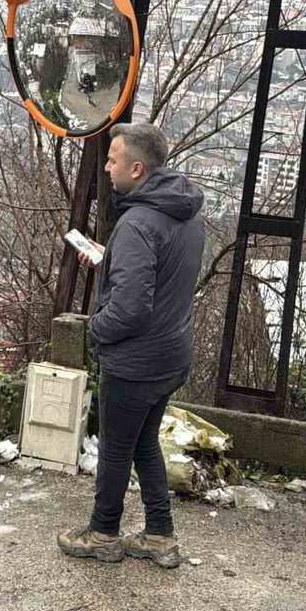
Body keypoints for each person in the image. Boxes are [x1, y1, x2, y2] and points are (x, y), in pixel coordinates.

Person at [57, 122, 205, 570]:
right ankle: (160, 535)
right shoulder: (185, 213)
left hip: (135, 361)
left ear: (137, 169)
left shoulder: (138, 223)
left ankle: (104, 533)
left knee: (118, 449)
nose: (106, 166)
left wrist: (97, 329)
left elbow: (132, 308)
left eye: (113, 159)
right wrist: (112, 257)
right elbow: (160, 279)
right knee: (144, 443)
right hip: (170, 354)